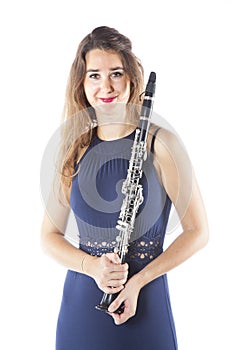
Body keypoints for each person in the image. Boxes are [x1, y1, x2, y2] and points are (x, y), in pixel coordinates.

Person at [41, 26, 209, 350]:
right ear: (82, 84)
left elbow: (198, 231)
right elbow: (48, 236)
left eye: (116, 73)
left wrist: (137, 282)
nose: (106, 86)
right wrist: (92, 268)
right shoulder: (75, 148)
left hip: (144, 306)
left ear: (132, 78)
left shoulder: (161, 144)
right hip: (81, 310)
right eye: (94, 75)